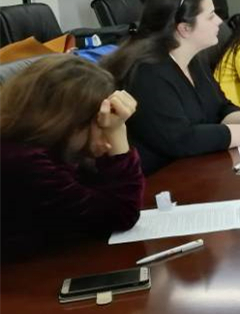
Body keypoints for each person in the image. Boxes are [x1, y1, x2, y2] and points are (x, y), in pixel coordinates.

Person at [103, 0, 240, 175]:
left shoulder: (194, 61)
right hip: (158, 180)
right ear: (184, 28)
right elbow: (182, 139)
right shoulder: (147, 72)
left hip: (195, 170)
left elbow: (221, 108)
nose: (220, 21)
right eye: (211, 16)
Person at [0, 55, 144, 260]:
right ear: (73, 122)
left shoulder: (33, 145)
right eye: (101, 122)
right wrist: (116, 134)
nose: (106, 129)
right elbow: (121, 214)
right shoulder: (28, 162)